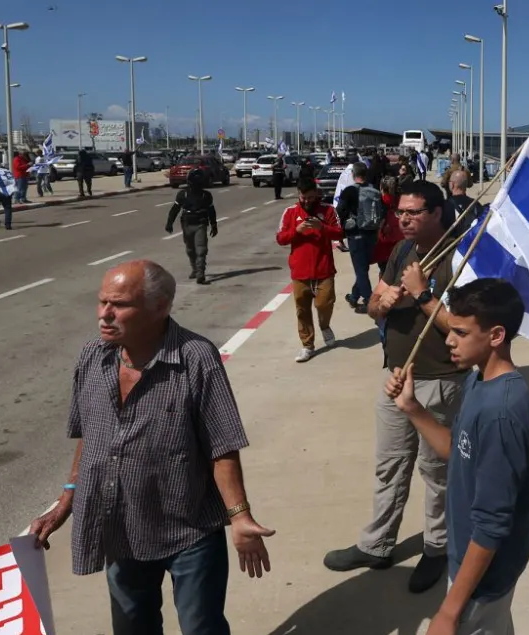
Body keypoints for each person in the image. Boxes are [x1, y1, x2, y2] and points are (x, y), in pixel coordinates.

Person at [27, 260, 274, 635]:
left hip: (189, 529)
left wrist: (239, 516)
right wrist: (67, 500)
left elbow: (221, 444)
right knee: (132, 628)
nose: (105, 315)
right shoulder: (93, 358)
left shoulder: (196, 358)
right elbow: (90, 436)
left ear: (161, 308)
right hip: (122, 528)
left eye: (120, 304)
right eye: (102, 302)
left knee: (201, 628)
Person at [324, 179, 463, 595]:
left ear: (437, 212)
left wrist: (421, 296)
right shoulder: (402, 250)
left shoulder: (460, 256)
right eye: (400, 212)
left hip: (440, 381)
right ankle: (378, 544)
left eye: (413, 212)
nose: (403, 219)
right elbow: (375, 303)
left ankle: (437, 547)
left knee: (436, 472)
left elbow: (460, 327)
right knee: (390, 465)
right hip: (398, 375)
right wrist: (380, 305)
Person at [386, 278, 529, 635]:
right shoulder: (477, 381)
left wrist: (449, 611)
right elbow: (459, 452)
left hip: (483, 577)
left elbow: (491, 522)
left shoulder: (502, 413)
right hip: (468, 560)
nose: (449, 340)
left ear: (496, 336)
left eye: (461, 332)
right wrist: (411, 407)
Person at [276, 179, 343, 362]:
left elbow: (339, 232)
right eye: (304, 197)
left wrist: (322, 227)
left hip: (324, 269)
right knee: (302, 310)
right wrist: (296, 231)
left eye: (311, 197)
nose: (307, 201)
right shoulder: (290, 212)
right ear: (299, 194)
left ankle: (325, 325)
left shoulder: (328, 210)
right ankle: (307, 345)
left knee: (324, 304)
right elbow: (281, 238)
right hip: (300, 271)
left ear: (317, 195)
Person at [336, 162, 385, 314]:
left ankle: (369, 301)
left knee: (360, 270)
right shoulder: (374, 190)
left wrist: (345, 224)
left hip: (356, 233)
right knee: (363, 267)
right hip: (372, 233)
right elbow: (382, 211)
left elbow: (340, 209)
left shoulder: (350, 191)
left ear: (353, 175)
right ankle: (354, 296)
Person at [165, 169, 219, 285]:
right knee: (190, 249)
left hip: (201, 224)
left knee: (201, 249)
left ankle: (200, 273)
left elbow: (211, 211)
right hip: (187, 224)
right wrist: (169, 223)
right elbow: (175, 210)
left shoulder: (206, 195)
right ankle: (195, 269)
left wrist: (214, 225)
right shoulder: (182, 194)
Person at [372, 175, 404, 277]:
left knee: (384, 270)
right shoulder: (402, 199)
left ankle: (383, 291)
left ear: (381, 187)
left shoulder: (380, 200)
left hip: (384, 240)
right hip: (400, 238)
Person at [443, 170, 482, 235]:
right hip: (470, 241)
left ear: (452, 184)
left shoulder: (445, 206)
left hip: (454, 243)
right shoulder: (475, 204)